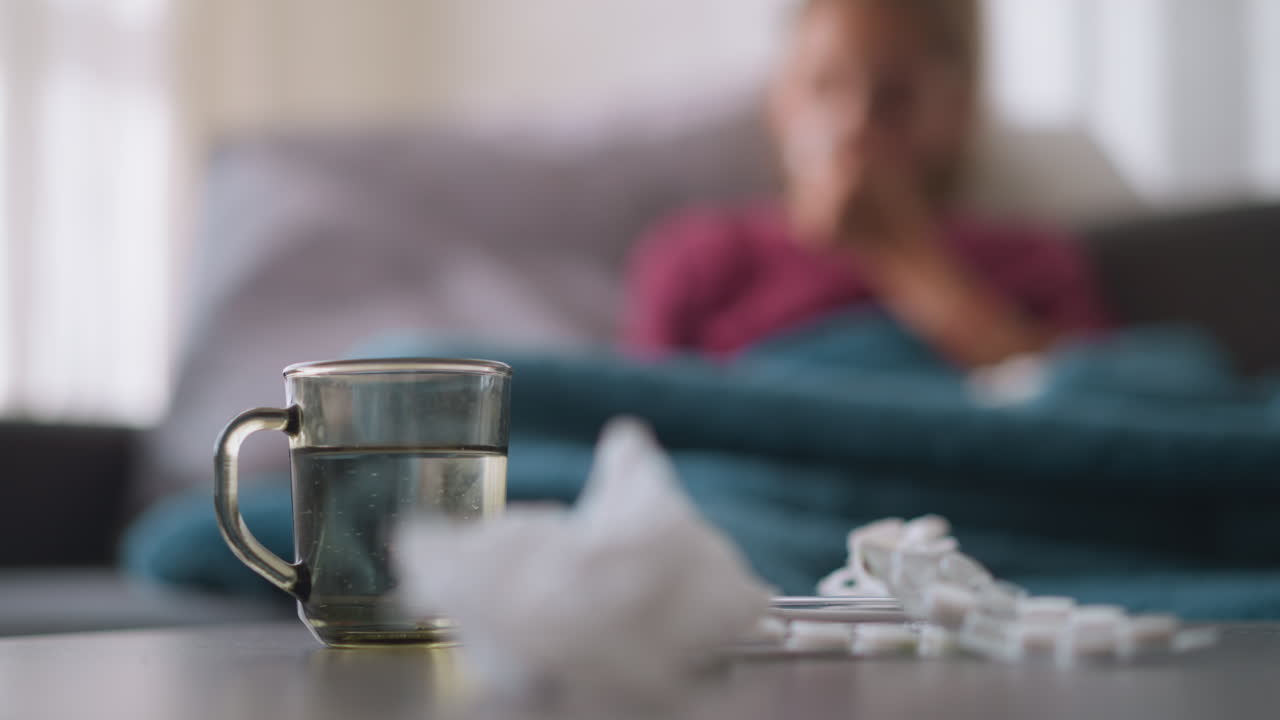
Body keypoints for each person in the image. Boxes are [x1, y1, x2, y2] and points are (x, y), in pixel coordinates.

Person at [623, 0, 1108, 368]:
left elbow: (1087, 408)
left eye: (894, 97)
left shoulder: (1029, 259)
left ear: (958, 114)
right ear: (780, 102)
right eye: (825, 86)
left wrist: (904, 257)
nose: (855, 123)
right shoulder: (699, 257)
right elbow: (642, 429)